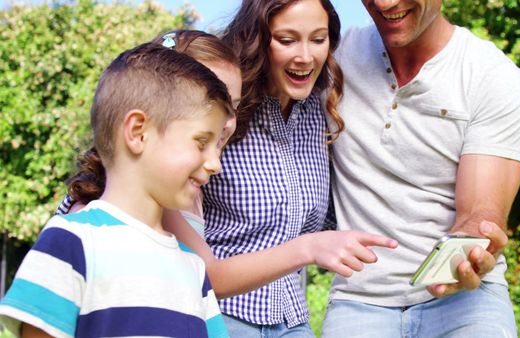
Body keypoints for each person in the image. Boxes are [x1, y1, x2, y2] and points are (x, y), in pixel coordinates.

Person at [56, 6, 398, 336]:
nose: (305, 56)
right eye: (287, 39)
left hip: (285, 316)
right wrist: (309, 247)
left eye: (318, 38)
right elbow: (206, 275)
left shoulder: (317, 108)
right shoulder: (111, 216)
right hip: (224, 313)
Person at [321, 1, 520, 337]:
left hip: (466, 299)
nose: (384, 3)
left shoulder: (492, 76)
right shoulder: (333, 58)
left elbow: (482, 209)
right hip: (359, 300)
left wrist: (472, 244)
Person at [0, 43, 235, 337]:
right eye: (201, 142)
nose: (215, 164)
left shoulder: (193, 268)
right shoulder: (70, 243)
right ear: (138, 132)